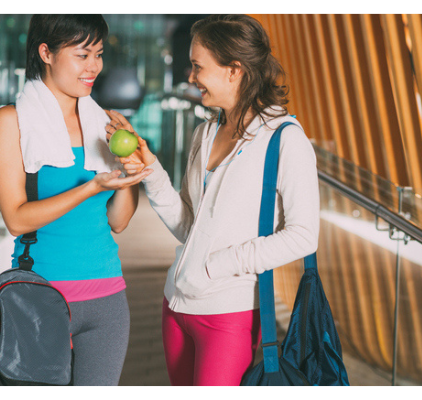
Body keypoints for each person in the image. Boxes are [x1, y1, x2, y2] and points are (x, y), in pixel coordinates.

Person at [105, 14, 320, 386]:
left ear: (234, 70)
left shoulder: (285, 140)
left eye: (197, 66)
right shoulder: (204, 132)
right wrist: (151, 170)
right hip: (173, 307)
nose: (190, 77)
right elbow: (190, 227)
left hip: (228, 314)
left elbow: (303, 236)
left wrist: (215, 266)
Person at [0, 14, 151, 386]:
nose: (94, 66)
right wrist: (92, 187)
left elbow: (119, 221)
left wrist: (127, 175)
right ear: (46, 52)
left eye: (99, 54)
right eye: (82, 55)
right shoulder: (11, 122)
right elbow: (18, 219)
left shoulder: (106, 123)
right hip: (38, 298)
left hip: (107, 296)